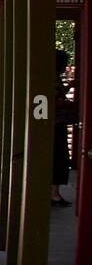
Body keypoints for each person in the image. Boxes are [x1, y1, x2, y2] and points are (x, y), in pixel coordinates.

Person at [53, 50, 74, 206]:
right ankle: (54, 193)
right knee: (59, 158)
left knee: (60, 158)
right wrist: (69, 104)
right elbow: (54, 100)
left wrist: (70, 86)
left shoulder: (55, 79)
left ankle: (55, 192)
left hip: (57, 122)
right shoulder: (51, 78)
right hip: (56, 123)